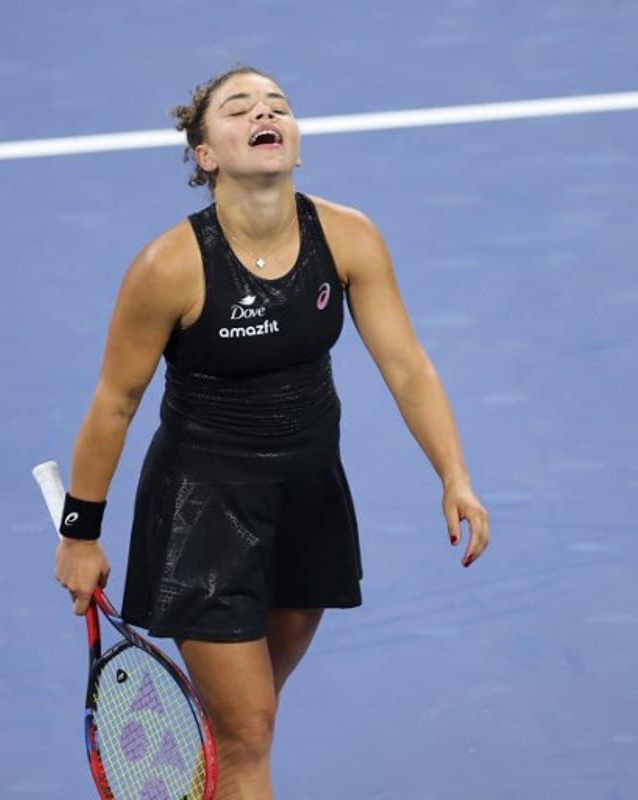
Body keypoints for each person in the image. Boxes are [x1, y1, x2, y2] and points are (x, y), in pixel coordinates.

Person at [54, 66, 489, 799]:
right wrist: (79, 533)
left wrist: (455, 474)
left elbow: (407, 365)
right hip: (203, 520)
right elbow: (114, 404)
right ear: (206, 155)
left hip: (306, 507)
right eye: (240, 108)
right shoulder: (169, 268)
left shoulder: (348, 237)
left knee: (242, 731)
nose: (265, 112)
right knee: (249, 735)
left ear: (295, 141)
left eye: (278, 106)